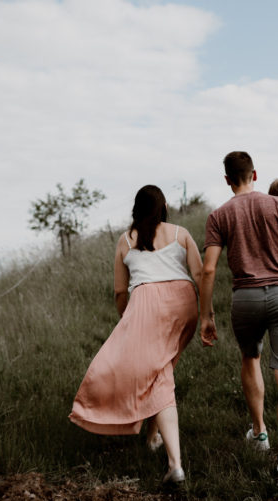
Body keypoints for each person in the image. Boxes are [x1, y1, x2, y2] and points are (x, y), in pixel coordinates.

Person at [69, 185, 203, 484]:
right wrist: (207, 313)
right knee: (160, 369)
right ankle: (154, 437)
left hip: (146, 305)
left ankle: (175, 464)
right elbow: (200, 274)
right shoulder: (180, 233)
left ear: (137, 209)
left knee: (152, 371)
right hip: (185, 305)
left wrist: (129, 319)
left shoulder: (125, 240)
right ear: (163, 207)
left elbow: (120, 292)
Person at [199, 151, 278, 489]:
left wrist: (206, 315)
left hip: (245, 299)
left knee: (250, 358)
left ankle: (260, 432)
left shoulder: (218, 215)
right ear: (255, 174)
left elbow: (208, 269)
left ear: (227, 179)